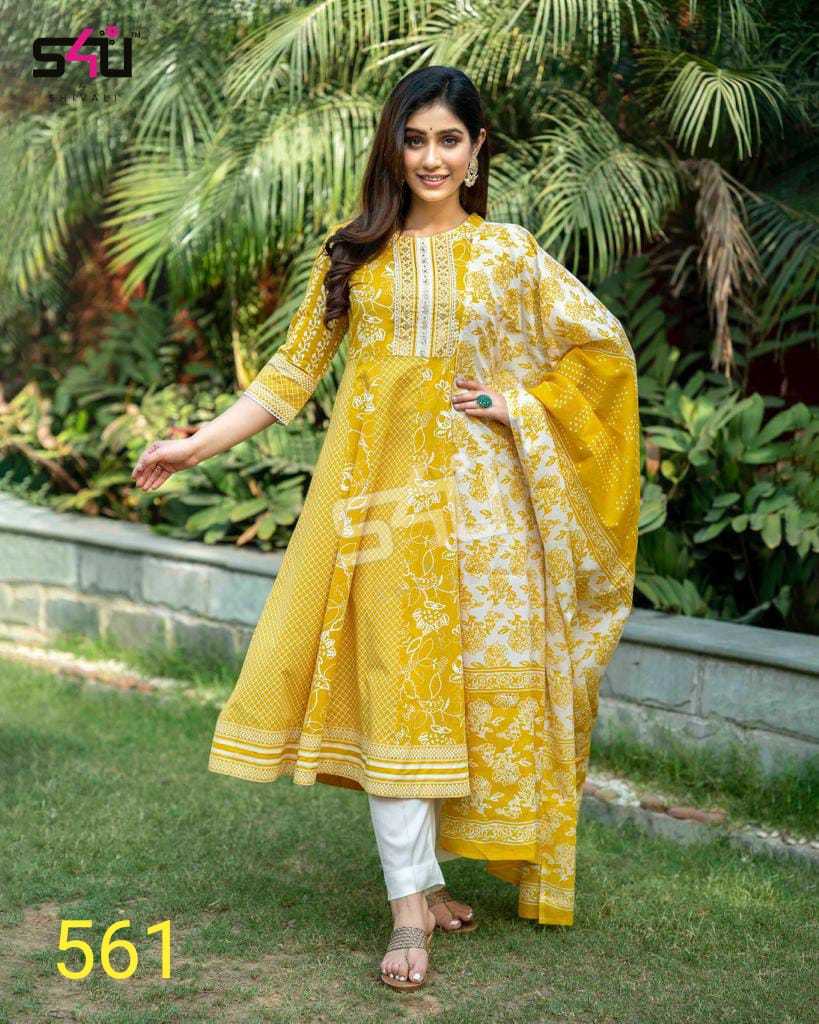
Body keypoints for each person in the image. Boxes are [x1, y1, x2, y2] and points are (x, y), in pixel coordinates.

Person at [132, 65, 641, 991]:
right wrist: (194, 444)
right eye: (415, 140)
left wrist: (517, 403)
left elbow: (601, 350)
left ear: (477, 150)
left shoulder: (510, 254)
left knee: (461, 695)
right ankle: (409, 906)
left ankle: (429, 879)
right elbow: (288, 377)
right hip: (378, 507)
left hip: (486, 519)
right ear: (393, 149)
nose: (431, 158)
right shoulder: (354, 252)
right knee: (395, 686)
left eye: (449, 140)